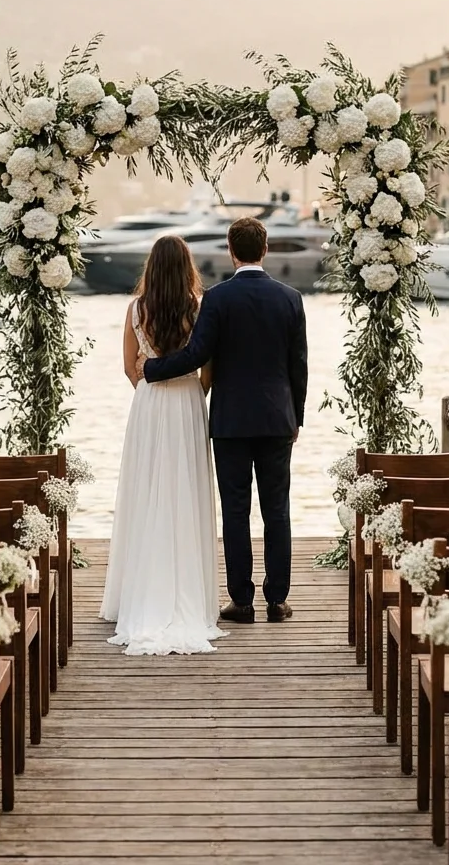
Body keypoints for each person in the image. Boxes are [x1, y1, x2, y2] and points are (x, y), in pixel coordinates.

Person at [141, 217, 308, 624]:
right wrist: (295, 417)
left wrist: (152, 370)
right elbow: (298, 366)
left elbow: (197, 354)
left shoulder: (217, 299)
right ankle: (277, 600)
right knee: (277, 510)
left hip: (231, 421)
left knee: (235, 511)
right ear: (264, 250)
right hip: (276, 420)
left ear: (231, 251)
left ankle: (242, 601)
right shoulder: (290, 298)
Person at [99, 235, 225, 655]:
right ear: (187, 267)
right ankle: (189, 593)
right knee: (184, 492)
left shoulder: (136, 309)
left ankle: (139, 589)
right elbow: (209, 369)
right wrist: (192, 393)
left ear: (151, 267)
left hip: (149, 404)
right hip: (188, 402)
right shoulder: (199, 307)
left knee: (147, 489)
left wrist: (151, 388)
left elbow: (127, 367)